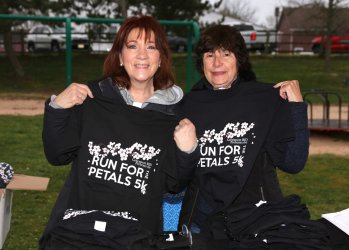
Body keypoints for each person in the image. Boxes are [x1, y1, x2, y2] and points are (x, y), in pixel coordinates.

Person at [39, 16, 196, 249]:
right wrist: (57, 109)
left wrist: (188, 150)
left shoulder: (173, 116)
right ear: (121, 57)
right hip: (77, 234)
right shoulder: (92, 98)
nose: (142, 55)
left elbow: (174, 184)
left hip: (136, 238)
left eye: (151, 47)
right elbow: (56, 154)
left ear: (161, 58)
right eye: (133, 46)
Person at [176, 25, 330, 249]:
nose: (217, 62)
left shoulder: (262, 102)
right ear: (202, 62)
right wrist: (186, 151)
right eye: (210, 55)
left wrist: (296, 108)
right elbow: (175, 182)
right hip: (203, 224)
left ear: (239, 59)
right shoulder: (187, 107)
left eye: (226, 54)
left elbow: (294, 162)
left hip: (257, 222)